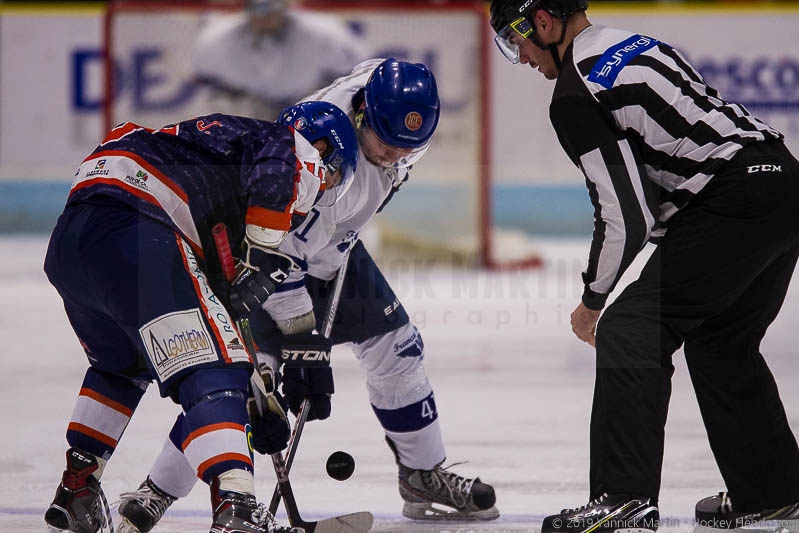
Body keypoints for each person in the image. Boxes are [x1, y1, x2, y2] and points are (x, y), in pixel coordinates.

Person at [114, 58, 499, 533]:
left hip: (335, 253)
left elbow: (377, 89)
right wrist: (305, 342)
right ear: (360, 116)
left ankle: (423, 474)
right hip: (266, 264)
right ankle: (154, 492)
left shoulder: (382, 99)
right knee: (250, 388)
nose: (394, 158)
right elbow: (279, 254)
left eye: (407, 150)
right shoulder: (314, 152)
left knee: (398, 348)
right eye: (385, 145)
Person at [489, 1, 799, 532]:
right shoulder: (636, 42)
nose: (520, 58)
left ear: (541, 22)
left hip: (734, 202)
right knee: (720, 342)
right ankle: (771, 490)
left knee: (630, 330)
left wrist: (592, 301)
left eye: (515, 41)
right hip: (784, 185)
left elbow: (626, 213)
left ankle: (624, 499)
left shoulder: (576, 91)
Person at [43, 101, 359, 533]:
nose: (325, 189)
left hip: (73, 242)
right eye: (335, 173)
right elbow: (282, 162)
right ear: (323, 147)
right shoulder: (293, 146)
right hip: (139, 229)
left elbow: (218, 305)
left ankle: (77, 488)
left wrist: (257, 393)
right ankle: (237, 504)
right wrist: (261, 252)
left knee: (121, 368)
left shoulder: (213, 168)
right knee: (216, 370)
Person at [191, 0, 366, 121]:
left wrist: (324, 100)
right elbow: (211, 84)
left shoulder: (325, 34)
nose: (265, 17)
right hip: (250, 106)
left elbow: (355, 74)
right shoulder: (216, 41)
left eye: (272, 7)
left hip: (307, 104)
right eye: (258, 8)